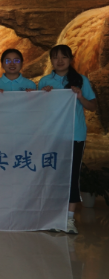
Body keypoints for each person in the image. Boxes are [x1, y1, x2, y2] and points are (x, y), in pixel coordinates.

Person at [39, 44, 97, 235]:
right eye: (55, 57)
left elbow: (92, 106)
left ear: (70, 59)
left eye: (64, 57)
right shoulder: (45, 81)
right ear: (51, 60)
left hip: (74, 135)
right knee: (52, 175)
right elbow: (38, 109)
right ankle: (53, 217)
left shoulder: (80, 80)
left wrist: (80, 96)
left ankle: (69, 219)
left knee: (71, 176)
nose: (60, 61)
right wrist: (43, 95)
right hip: (52, 135)